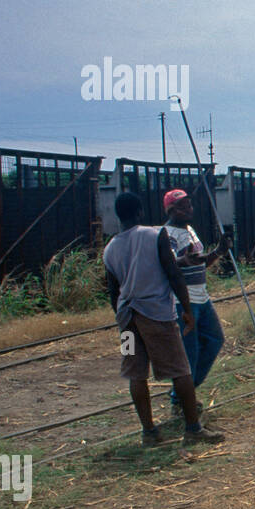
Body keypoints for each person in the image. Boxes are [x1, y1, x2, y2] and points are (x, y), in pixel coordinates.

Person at [102, 191, 224, 445]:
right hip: (157, 313)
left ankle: (149, 432)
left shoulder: (110, 248)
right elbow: (172, 272)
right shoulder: (155, 234)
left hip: (127, 317)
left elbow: (113, 291)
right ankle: (193, 428)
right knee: (181, 369)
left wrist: (122, 321)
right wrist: (187, 311)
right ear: (140, 212)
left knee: (136, 374)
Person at [162, 189, 231, 418]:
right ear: (172, 210)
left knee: (214, 340)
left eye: (190, 205)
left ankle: (187, 391)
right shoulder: (166, 234)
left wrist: (219, 252)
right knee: (188, 353)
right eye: (184, 206)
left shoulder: (190, 231)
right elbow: (170, 262)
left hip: (202, 296)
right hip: (183, 301)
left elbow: (200, 262)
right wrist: (184, 260)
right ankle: (179, 400)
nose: (190, 209)